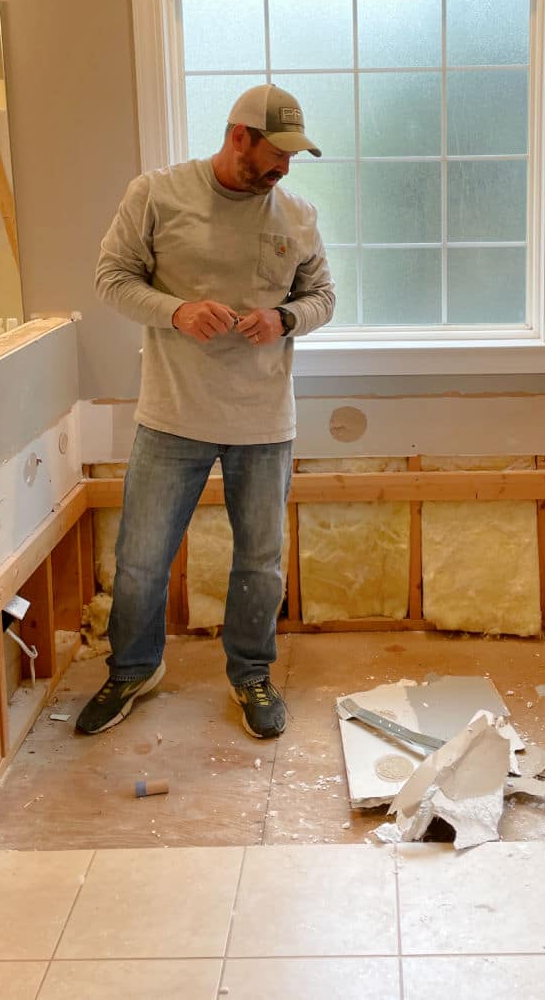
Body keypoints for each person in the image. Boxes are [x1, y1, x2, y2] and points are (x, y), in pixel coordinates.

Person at [76, 84, 335, 740]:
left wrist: (284, 318)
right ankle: (134, 669)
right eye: (275, 154)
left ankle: (251, 673)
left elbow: (323, 296)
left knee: (261, 561)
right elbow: (112, 276)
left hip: (263, 421)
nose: (283, 169)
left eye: (293, 158)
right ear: (238, 135)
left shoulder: (297, 214)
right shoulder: (158, 195)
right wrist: (177, 310)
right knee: (140, 558)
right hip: (172, 416)